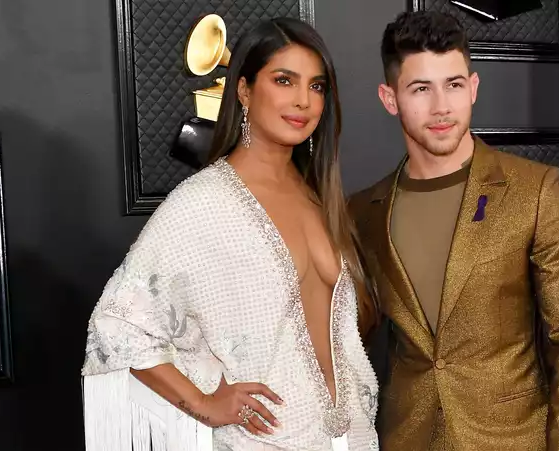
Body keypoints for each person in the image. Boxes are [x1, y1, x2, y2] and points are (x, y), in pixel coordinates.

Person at [81, 17, 379, 451]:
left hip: (352, 436)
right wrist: (204, 403)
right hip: (264, 440)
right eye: (284, 80)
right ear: (243, 90)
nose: (303, 101)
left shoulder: (320, 198)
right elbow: (116, 326)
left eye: (316, 86)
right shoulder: (203, 202)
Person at [348, 11, 559, 451]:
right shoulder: (363, 212)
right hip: (406, 438)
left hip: (512, 439)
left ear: (473, 87)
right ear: (389, 98)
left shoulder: (536, 192)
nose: (441, 106)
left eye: (453, 84)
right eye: (420, 89)